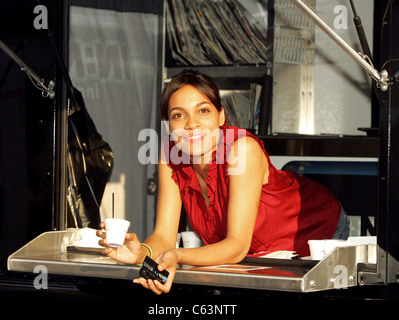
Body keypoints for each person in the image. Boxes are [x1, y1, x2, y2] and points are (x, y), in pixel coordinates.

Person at [96, 69, 349, 295]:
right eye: (178, 115)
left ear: (220, 116)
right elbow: (163, 235)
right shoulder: (169, 154)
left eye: (203, 110)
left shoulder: (242, 150)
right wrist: (142, 254)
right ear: (168, 126)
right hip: (255, 256)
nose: (191, 124)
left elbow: (236, 246)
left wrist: (176, 254)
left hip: (316, 230)